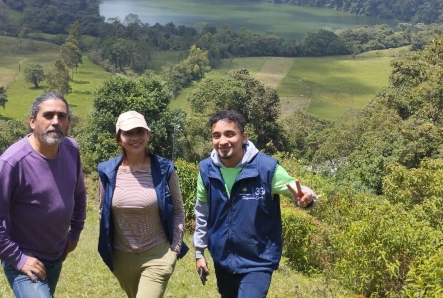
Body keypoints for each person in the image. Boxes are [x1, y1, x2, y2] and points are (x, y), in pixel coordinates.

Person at [194, 109, 318, 298]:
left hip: (258, 260)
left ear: (243, 137)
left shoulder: (266, 168)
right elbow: (202, 213)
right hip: (223, 259)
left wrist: (307, 197)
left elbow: (298, 190)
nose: (223, 141)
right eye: (216, 135)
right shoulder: (206, 170)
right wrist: (199, 252)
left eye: (230, 134)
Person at [0, 92, 87, 298]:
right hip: (25, 258)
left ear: (68, 122)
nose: (56, 122)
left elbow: (78, 193)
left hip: (56, 254)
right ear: (33, 121)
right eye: (48, 115)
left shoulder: (71, 148)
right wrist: (16, 257)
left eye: (62, 116)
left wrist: (75, 233)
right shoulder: (13, 162)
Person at [97, 110, 188, 298]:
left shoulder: (165, 170)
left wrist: (175, 249)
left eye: (140, 131)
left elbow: (178, 210)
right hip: (122, 259)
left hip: (158, 255)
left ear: (148, 135)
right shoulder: (107, 172)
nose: (135, 137)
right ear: (119, 138)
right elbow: (102, 211)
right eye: (128, 133)